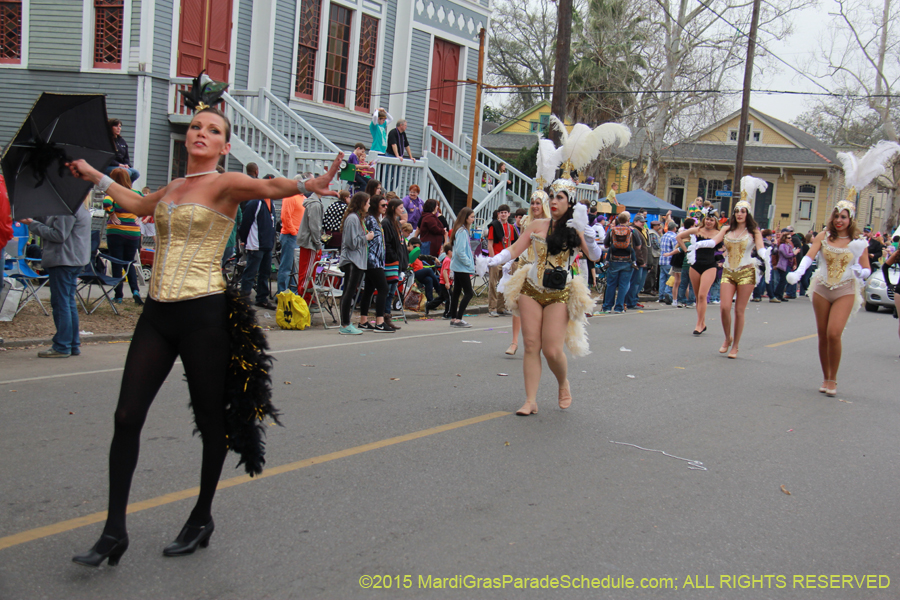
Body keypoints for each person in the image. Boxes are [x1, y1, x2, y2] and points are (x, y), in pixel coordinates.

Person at [66, 96, 342, 566]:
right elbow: (135, 202)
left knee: (212, 419)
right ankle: (114, 531)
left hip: (204, 314)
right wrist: (94, 174)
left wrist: (307, 184)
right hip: (157, 313)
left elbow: (269, 186)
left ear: (224, 146)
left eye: (213, 130)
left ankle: (201, 517)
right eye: (196, 126)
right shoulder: (174, 187)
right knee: (126, 416)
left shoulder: (225, 183)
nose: (201, 133)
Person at [484, 184, 601, 416]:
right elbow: (515, 248)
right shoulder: (537, 225)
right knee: (530, 345)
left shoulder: (575, 229)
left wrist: (588, 235)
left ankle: (563, 382)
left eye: (560, 197)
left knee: (552, 350)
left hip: (559, 293)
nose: (554, 201)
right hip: (531, 288)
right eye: (552, 197)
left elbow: (595, 256)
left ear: (570, 202)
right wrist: (493, 259)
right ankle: (530, 401)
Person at [786, 203, 870, 396]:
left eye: (844, 217)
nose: (839, 220)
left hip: (845, 289)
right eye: (836, 216)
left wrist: (861, 272)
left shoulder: (858, 241)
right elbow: (809, 257)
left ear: (851, 220)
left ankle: (833, 378)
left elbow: (866, 268)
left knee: (834, 333)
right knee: (823, 334)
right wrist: (798, 273)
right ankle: (826, 377)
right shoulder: (824, 236)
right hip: (822, 288)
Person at [691, 177, 769, 358]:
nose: (739, 214)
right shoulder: (726, 229)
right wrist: (696, 244)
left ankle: (736, 346)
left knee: (739, 311)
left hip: (746, 272)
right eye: (737, 211)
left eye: (743, 211)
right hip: (728, 271)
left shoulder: (753, 231)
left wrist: (766, 256)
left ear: (748, 214)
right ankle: (727, 338)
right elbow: (713, 242)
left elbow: (760, 248)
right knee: (724, 307)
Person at [21, 196, 91, 357]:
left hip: (63, 260)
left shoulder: (67, 209)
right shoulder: (77, 205)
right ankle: (72, 343)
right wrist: (34, 218)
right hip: (73, 260)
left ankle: (62, 345)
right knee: (68, 302)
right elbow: (53, 223)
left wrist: (32, 224)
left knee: (61, 303)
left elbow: (58, 234)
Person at [506, 191, 550, 355]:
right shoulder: (525, 221)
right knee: (517, 302)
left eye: (538, 203)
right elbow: (520, 244)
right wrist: (509, 260)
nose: (535, 206)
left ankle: (538, 341)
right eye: (532, 203)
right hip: (524, 263)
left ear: (544, 205)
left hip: (541, 266)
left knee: (541, 305)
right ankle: (514, 342)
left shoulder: (550, 223)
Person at [677, 207, 721, 334]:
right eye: (707, 219)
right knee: (697, 296)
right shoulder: (697, 230)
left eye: (711, 220)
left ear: (715, 221)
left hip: (710, 265)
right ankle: (702, 322)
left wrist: (722, 258)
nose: (708, 222)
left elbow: (726, 247)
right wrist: (686, 250)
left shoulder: (718, 233)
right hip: (695, 265)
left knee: (702, 295)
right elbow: (679, 237)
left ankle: (698, 324)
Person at [103, 168, 144, 305]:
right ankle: (135, 291)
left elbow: (107, 203)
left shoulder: (113, 193)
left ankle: (118, 295)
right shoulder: (136, 193)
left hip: (116, 231)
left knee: (116, 262)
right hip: (133, 232)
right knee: (129, 262)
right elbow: (147, 203)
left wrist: (112, 214)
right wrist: (139, 215)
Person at [238, 177, 278, 309]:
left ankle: (262, 298)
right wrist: (244, 240)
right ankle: (243, 299)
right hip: (256, 243)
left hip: (267, 243)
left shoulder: (270, 202)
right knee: (250, 272)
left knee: (265, 273)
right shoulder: (255, 202)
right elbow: (245, 223)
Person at [338, 192, 373, 334]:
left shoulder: (358, 218)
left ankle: (346, 323)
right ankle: (345, 324)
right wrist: (367, 237)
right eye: (367, 203)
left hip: (357, 260)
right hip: (352, 260)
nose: (369, 205)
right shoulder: (353, 219)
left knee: (350, 291)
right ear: (361, 203)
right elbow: (351, 242)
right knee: (348, 291)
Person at [357, 195, 392, 333]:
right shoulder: (371, 219)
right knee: (383, 288)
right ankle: (379, 322)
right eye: (383, 205)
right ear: (375, 206)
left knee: (369, 289)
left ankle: (363, 321)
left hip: (377, 259)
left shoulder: (377, 219)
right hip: (373, 259)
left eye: (386, 205)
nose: (385, 208)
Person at [602, 211, 640, 314]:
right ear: (628, 220)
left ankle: (607, 307)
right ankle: (619, 307)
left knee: (611, 284)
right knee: (624, 285)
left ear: (618, 220)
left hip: (613, 259)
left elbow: (606, 245)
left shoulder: (612, 230)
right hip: (627, 260)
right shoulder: (632, 231)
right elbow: (638, 246)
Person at [295, 174, 324, 304]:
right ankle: (304, 299)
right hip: (310, 243)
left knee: (307, 272)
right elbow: (315, 227)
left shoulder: (314, 203)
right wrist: (318, 244)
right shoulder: (315, 205)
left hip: (308, 242)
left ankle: (306, 298)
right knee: (308, 273)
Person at [381, 198, 407, 331]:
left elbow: (401, 243)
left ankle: (387, 316)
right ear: (393, 208)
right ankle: (383, 317)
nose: (402, 210)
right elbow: (387, 243)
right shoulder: (386, 222)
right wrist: (394, 257)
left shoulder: (396, 222)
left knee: (392, 291)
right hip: (390, 261)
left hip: (397, 262)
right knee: (387, 290)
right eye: (400, 207)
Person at [448, 208, 476, 328]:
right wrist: (469, 263)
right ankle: (458, 318)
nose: (473, 219)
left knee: (457, 292)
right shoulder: (462, 231)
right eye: (471, 217)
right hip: (462, 267)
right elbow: (460, 251)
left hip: (458, 266)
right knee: (468, 293)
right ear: (465, 217)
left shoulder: (460, 230)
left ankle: (454, 318)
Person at [487, 204, 517, 317]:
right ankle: (492, 308)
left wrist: (509, 259)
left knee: (505, 283)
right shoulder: (494, 226)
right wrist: (493, 259)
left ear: (509, 214)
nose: (503, 214)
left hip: (506, 258)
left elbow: (510, 244)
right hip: (496, 258)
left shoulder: (511, 227)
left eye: (505, 212)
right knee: (493, 284)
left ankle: (501, 307)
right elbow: (490, 244)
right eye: (501, 213)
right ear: (498, 214)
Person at [276, 187, 305, 294]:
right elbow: (285, 216)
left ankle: (293, 293)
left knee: (295, 268)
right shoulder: (290, 197)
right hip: (290, 236)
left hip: (298, 236)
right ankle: (282, 293)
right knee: (287, 266)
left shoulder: (303, 198)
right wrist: (294, 232)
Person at [624, 214, 648, 309]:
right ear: (635, 222)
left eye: (643, 222)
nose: (643, 223)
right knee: (635, 283)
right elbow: (637, 249)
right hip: (637, 262)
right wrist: (641, 261)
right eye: (641, 222)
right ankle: (631, 302)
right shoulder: (635, 231)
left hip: (639, 261)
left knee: (636, 283)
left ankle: (632, 300)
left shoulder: (639, 231)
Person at [106, 118, 140, 183]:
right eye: (116, 126)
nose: (118, 128)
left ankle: (125, 187)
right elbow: (107, 158)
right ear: (110, 127)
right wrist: (119, 164)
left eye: (120, 126)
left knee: (136, 173)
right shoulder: (107, 141)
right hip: (109, 166)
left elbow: (126, 157)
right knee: (127, 172)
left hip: (121, 166)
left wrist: (126, 164)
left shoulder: (122, 141)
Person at [772, 231, 795, 303]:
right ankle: (777, 294)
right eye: (788, 238)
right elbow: (786, 255)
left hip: (788, 265)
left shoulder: (789, 245)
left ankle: (780, 295)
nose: (790, 239)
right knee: (782, 281)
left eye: (790, 238)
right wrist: (794, 253)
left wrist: (794, 263)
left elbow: (792, 256)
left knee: (784, 281)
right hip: (783, 265)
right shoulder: (782, 245)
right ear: (784, 238)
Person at [658, 220, 677, 304]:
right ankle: (668, 294)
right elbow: (675, 249)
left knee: (662, 279)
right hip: (670, 260)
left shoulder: (663, 236)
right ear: (674, 228)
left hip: (662, 260)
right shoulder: (674, 237)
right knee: (670, 279)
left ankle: (661, 296)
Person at [439, 242, 453, 319]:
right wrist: (447, 282)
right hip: (445, 282)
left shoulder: (448, 260)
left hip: (447, 282)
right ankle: (447, 313)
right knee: (449, 298)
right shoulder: (447, 260)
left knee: (445, 297)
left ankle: (449, 313)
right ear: (449, 252)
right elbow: (445, 271)